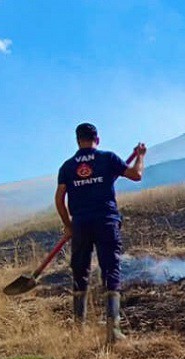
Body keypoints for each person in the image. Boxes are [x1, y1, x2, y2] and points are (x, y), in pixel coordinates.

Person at [55, 122, 146, 344]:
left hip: (81, 224)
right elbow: (136, 175)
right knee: (110, 270)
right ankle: (113, 331)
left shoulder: (67, 166)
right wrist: (140, 155)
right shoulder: (107, 158)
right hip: (106, 222)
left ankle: (79, 329)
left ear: (78, 141)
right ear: (98, 138)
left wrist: (68, 225)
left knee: (80, 271)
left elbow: (59, 199)